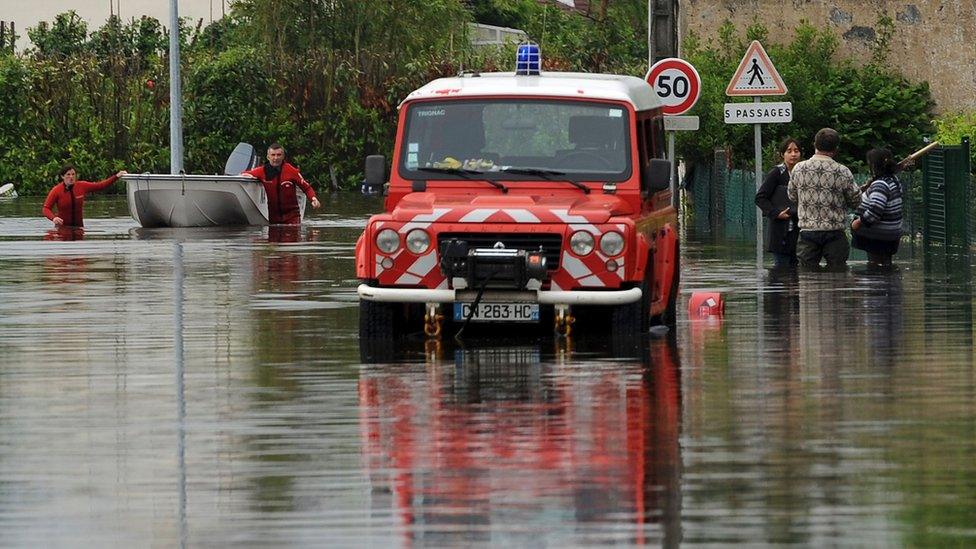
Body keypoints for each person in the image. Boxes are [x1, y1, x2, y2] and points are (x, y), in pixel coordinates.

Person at [787, 128, 860, 270]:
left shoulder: (799, 169)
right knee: (837, 277)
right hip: (835, 232)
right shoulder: (843, 171)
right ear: (836, 148)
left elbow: (792, 195)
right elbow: (855, 201)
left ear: (815, 144)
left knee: (807, 277)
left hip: (808, 231)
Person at [242, 143, 321, 224]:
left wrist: (313, 199)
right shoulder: (262, 171)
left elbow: (306, 188)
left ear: (283, 156)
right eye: (273, 155)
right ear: (268, 157)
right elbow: (245, 174)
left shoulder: (291, 170)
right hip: (273, 219)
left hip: (292, 218)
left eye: (279, 155)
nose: (276, 158)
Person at [851, 148, 904, 268]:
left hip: (877, 236)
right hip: (891, 235)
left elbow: (875, 211)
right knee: (885, 265)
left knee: (875, 266)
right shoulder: (893, 181)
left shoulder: (880, 184)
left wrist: (857, 223)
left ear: (874, 166)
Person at [755, 137, 803, 267]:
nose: (793, 154)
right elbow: (760, 197)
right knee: (781, 270)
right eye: (789, 151)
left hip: (800, 229)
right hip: (780, 229)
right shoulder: (777, 173)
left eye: (796, 151)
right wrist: (776, 213)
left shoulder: (804, 172)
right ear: (783, 154)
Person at [42, 164, 127, 228]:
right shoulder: (56, 190)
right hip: (62, 228)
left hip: (79, 227)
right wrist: (54, 218)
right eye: (68, 174)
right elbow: (46, 208)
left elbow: (101, 185)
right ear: (62, 176)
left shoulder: (82, 186)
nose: (71, 177)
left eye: (73, 174)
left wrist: (116, 176)